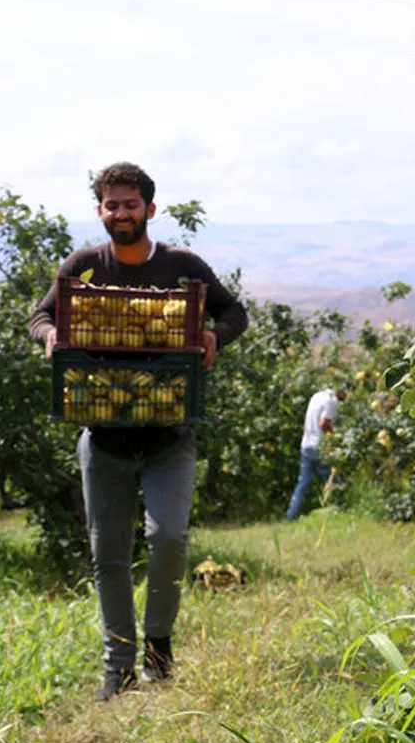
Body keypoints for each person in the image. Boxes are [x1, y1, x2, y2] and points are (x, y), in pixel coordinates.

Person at [28, 162, 248, 701]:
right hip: (103, 435)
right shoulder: (84, 265)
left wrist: (215, 337)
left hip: (169, 433)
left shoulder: (180, 265)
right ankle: (118, 667)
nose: (120, 214)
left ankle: (159, 648)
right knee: (108, 554)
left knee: (169, 537)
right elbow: (39, 317)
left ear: (150, 208)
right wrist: (52, 334)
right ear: (100, 210)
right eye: (111, 205)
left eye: (130, 205)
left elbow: (234, 312)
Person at [285, 385, 348, 520]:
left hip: (306, 445)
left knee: (302, 483)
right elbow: (324, 423)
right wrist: (336, 436)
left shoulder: (316, 396)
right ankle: (342, 510)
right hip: (320, 448)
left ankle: (291, 515)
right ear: (341, 391)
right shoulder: (331, 400)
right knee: (334, 481)